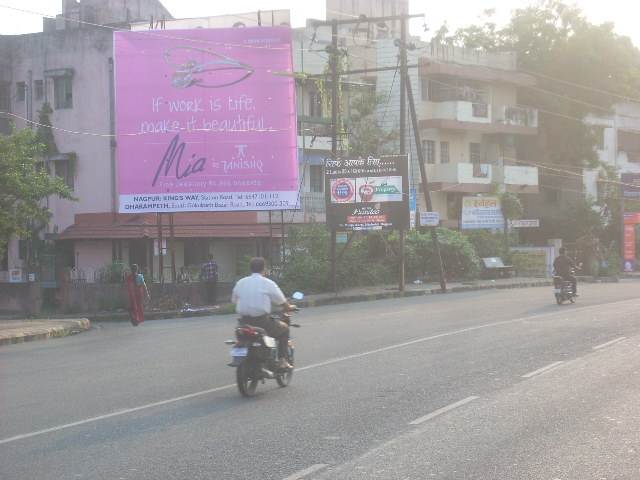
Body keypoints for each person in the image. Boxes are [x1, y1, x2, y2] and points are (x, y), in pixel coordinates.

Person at [231, 257, 295, 369]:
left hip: (243, 322)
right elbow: (282, 301)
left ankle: (240, 356)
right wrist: (289, 307)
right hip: (262, 322)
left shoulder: (240, 282)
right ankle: (282, 360)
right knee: (285, 329)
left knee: (240, 338)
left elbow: (234, 300)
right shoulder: (268, 283)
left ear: (250, 269)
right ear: (264, 269)